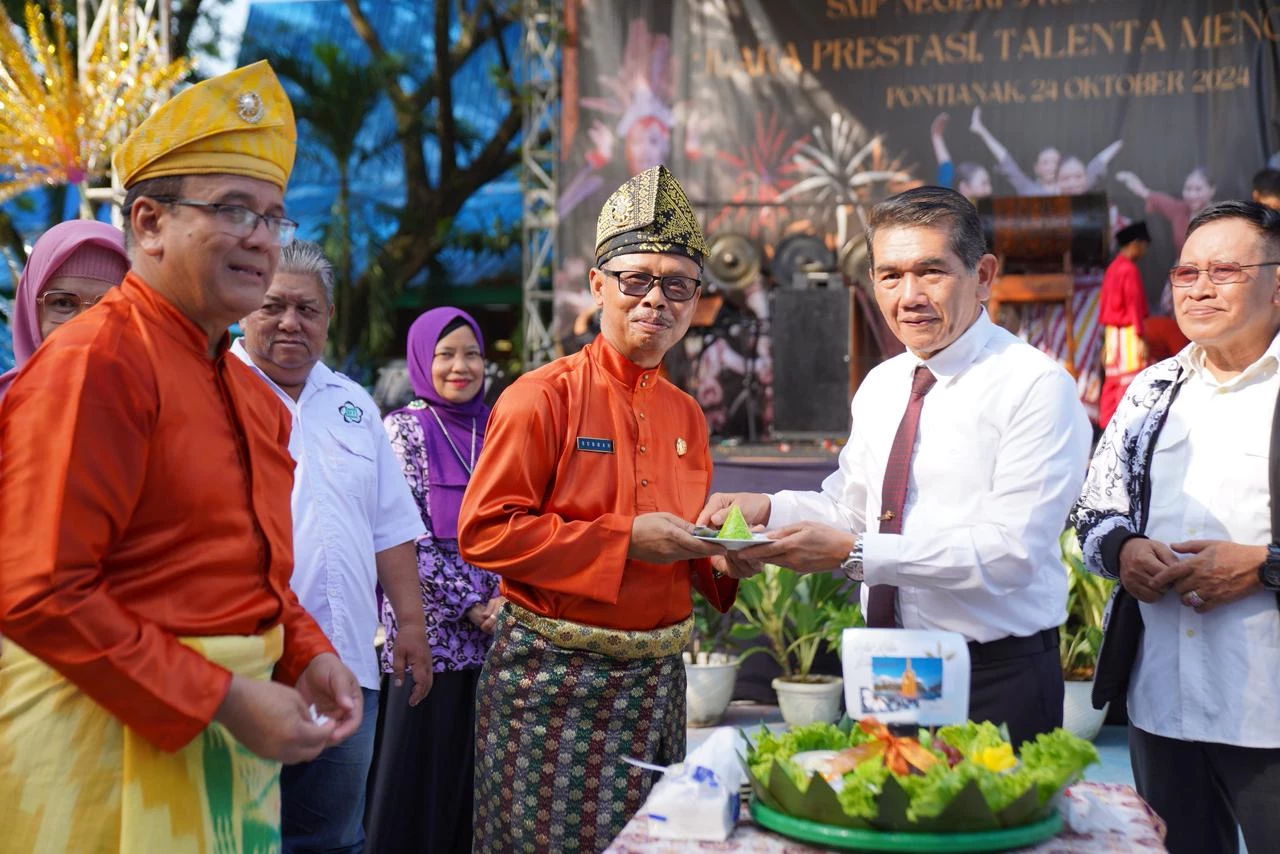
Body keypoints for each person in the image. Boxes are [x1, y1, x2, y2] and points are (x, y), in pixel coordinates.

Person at [0, 61, 363, 852]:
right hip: (100, 740)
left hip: (221, 739)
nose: (260, 238)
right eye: (233, 209)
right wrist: (220, 697)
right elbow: (37, 592)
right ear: (150, 223)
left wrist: (305, 651)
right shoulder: (97, 362)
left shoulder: (246, 391)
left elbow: (243, 569)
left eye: (273, 217)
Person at [700, 186, 1092, 749]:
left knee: (988, 833)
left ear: (982, 275)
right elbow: (851, 508)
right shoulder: (884, 383)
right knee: (885, 822)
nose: (908, 296)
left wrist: (854, 554)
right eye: (889, 276)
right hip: (889, 666)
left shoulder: (1035, 386)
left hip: (994, 676)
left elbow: (1013, 553)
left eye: (930, 271)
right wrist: (769, 508)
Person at [458, 164, 737, 852]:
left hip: (657, 686)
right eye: (636, 280)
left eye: (677, 285)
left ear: (697, 299)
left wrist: (727, 556)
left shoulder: (687, 415)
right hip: (552, 686)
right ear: (598, 285)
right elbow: (485, 532)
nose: (656, 301)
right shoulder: (541, 397)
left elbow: (687, 551)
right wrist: (624, 540)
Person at [1072, 200, 1280, 854]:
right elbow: (1093, 511)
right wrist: (1125, 549)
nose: (1199, 288)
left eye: (1224, 271)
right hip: (1162, 701)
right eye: (1187, 273)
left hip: (1268, 709)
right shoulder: (1152, 389)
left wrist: (1263, 564)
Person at [234, 239, 432, 854]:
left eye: (308, 309)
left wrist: (412, 625)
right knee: (236, 834)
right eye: (273, 306)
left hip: (346, 665)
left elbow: (389, 526)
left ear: (328, 317)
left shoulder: (353, 404)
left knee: (336, 838)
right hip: (245, 667)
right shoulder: (215, 392)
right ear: (245, 309)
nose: (291, 322)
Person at [365, 308, 502, 854]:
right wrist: (472, 603)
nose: (460, 366)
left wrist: (503, 599)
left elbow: (525, 519)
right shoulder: (402, 429)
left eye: (471, 353)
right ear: (422, 358)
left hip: (497, 641)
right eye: (445, 354)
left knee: (477, 788)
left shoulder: (500, 425)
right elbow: (404, 537)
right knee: (415, 785)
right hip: (427, 642)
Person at [0, 219, 128, 398]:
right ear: (30, 311)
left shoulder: (154, 412)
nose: (84, 324)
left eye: (107, 305)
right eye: (63, 303)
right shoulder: (6, 411)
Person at [969, 106, 1121, 196]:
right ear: (1036, 168)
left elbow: (1097, 164)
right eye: (1045, 162)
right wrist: (981, 131)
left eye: (1055, 161)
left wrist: (1122, 141)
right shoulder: (1028, 189)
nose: (1051, 166)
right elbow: (1006, 161)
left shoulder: (1073, 184)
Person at [1098, 221, 1152, 429]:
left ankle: (1106, 429)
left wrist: (1105, 341)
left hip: (1112, 335)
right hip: (1128, 334)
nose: (1145, 251)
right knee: (1129, 384)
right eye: (1144, 245)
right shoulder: (1129, 270)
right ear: (1136, 244)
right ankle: (1126, 429)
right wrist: (1141, 339)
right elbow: (1134, 307)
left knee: (1112, 383)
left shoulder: (1112, 268)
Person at [929, 112, 991, 203]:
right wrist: (936, 136)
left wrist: (937, 136)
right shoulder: (950, 208)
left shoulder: (988, 209)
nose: (989, 190)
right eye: (983, 183)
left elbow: (945, 165)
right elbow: (946, 166)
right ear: (964, 186)